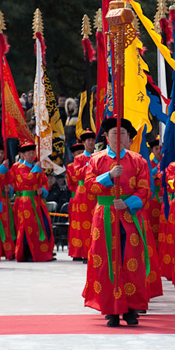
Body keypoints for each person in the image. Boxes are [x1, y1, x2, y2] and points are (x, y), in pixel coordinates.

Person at [82, 116, 151, 327]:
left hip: (129, 216)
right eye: (114, 133)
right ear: (106, 136)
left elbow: (145, 189)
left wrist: (130, 202)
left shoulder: (137, 160)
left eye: (122, 133)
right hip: (104, 216)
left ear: (128, 137)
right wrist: (109, 176)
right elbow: (89, 185)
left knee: (130, 261)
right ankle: (111, 308)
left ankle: (130, 308)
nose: (118, 137)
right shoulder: (96, 160)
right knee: (106, 262)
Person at [9, 141, 55, 262]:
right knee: (28, 227)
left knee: (44, 225)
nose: (30, 154)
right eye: (28, 152)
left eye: (32, 151)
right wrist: (36, 169)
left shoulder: (37, 167)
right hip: (26, 202)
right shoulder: (18, 167)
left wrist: (43, 190)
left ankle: (44, 251)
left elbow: (45, 181)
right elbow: (27, 179)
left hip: (38, 201)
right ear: (22, 155)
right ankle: (28, 252)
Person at [68, 129, 96, 260]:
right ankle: (84, 253)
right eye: (88, 140)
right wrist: (90, 165)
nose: (90, 142)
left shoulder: (99, 156)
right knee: (84, 224)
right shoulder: (79, 158)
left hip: (96, 191)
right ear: (84, 143)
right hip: (83, 192)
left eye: (92, 140)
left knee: (95, 223)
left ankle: (94, 250)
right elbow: (77, 174)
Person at [0, 142, 15, 259]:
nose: (0, 155)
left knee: (7, 226)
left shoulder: (6, 169)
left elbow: (11, 182)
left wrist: (10, 188)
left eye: (2, 153)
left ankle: (8, 251)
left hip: (5, 202)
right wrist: (2, 168)